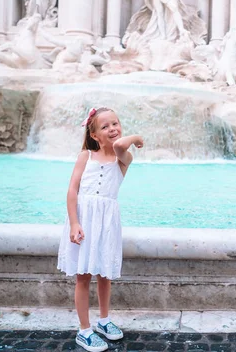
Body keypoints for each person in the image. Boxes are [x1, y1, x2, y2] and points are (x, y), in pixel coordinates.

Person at [57, 107, 144, 352]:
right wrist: (74, 223)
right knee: (83, 276)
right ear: (94, 135)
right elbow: (72, 190)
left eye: (115, 123)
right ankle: (84, 331)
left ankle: (104, 320)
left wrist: (132, 139)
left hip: (106, 223)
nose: (112, 129)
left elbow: (119, 146)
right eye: (105, 127)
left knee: (104, 275)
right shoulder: (85, 156)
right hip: (84, 220)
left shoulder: (123, 158)